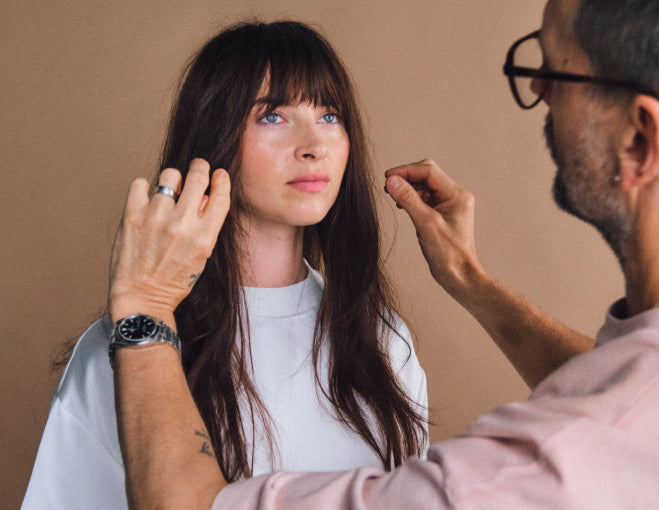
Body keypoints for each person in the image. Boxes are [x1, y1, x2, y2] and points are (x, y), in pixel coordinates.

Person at [110, 0, 659, 507]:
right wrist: (469, 279)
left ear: (637, 141)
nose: (539, 94)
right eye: (273, 115)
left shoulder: (522, 474)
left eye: (554, 72)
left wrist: (141, 310)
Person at [22, 20, 429, 510]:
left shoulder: (385, 339)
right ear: (215, 134)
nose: (313, 145)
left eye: (330, 115)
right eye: (272, 117)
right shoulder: (134, 346)